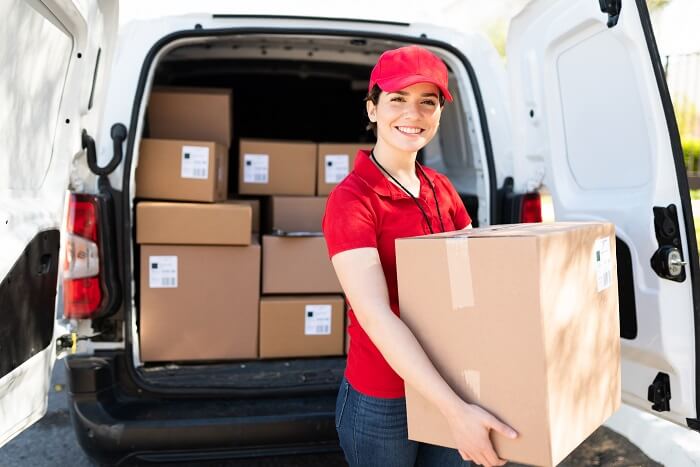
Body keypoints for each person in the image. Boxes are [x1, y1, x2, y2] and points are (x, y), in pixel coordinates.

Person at [322, 45, 518, 467]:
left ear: (439, 115)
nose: (413, 114)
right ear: (372, 109)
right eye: (397, 100)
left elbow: (476, 280)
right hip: (383, 397)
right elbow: (375, 315)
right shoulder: (351, 200)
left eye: (427, 103)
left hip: (453, 377)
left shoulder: (441, 188)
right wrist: (456, 411)